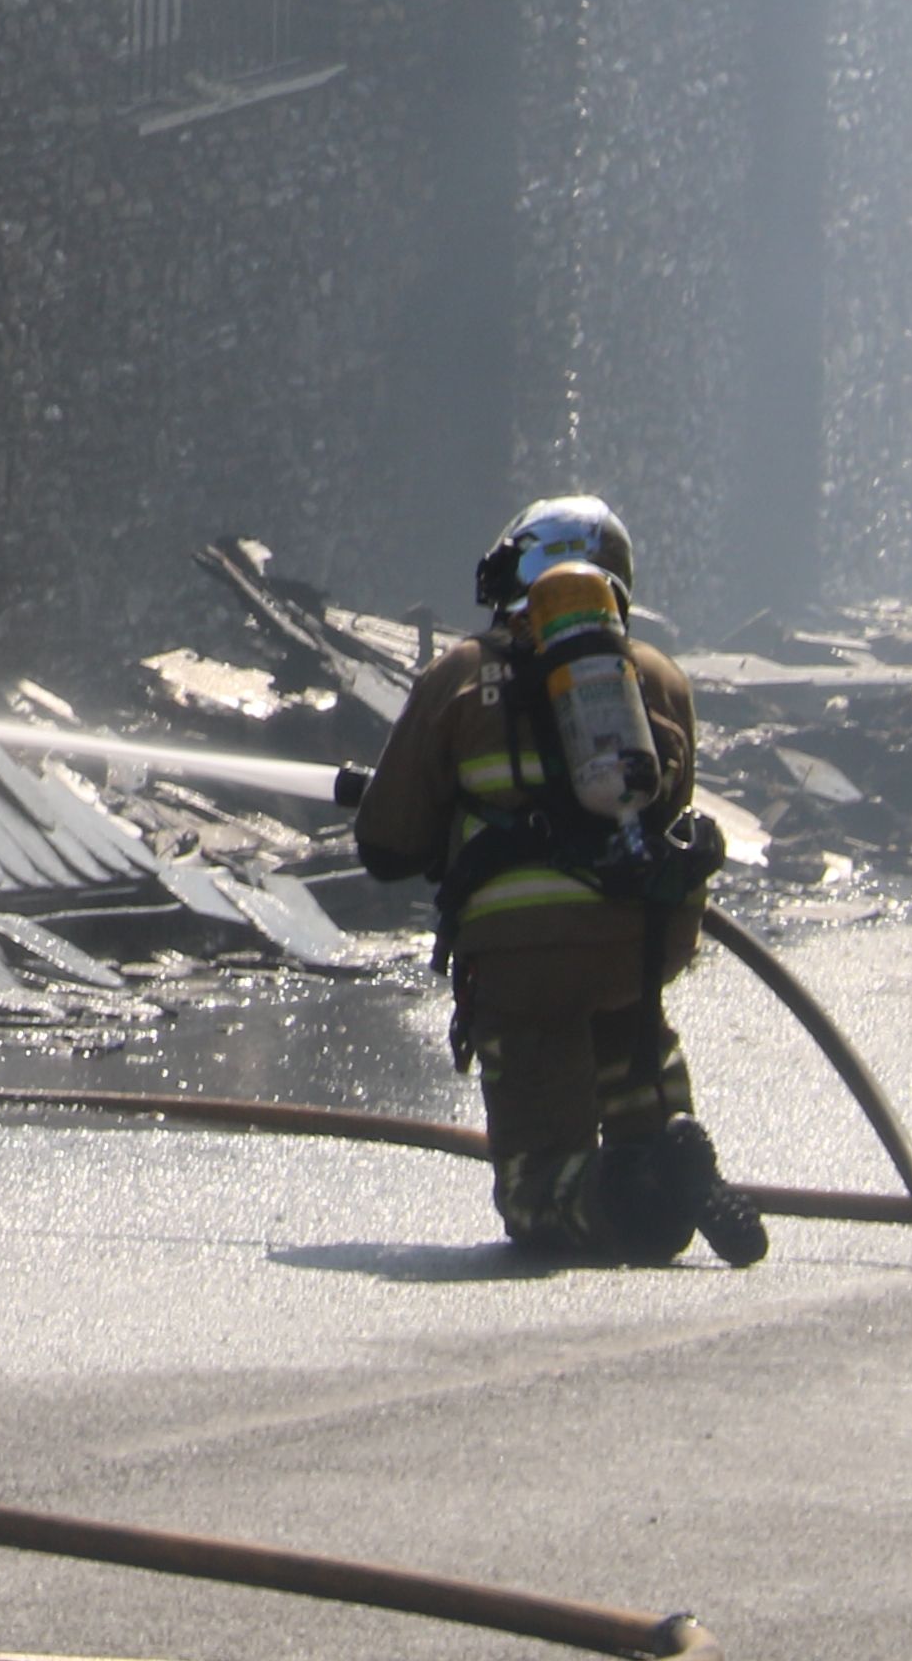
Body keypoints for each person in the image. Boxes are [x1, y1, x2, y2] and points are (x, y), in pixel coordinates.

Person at [350, 496, 769, 1268]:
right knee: (628, 1025)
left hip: (526, 955)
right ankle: (664, 1148)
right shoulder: (658, 679)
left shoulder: (461, 676)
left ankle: (611, 1192)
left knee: (539, 1190)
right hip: (640, 944)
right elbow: (659, 821)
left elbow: (387, 843)